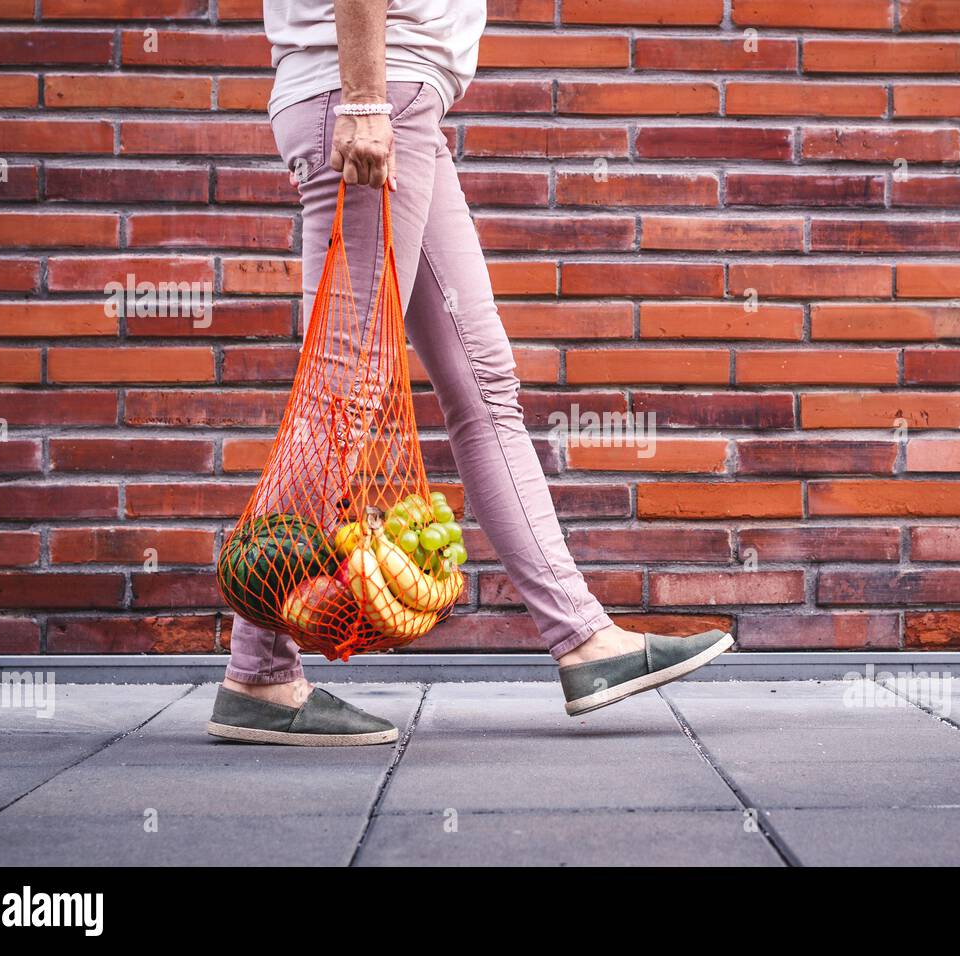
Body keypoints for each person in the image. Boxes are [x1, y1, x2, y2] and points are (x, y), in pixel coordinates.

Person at [207, 0, 732, 746]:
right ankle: (259, 671)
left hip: (398, 96)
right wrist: (363, 99)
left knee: (484, 388)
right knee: (344, 387)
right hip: (368, 94)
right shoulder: (364, 94)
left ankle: (585, 640)